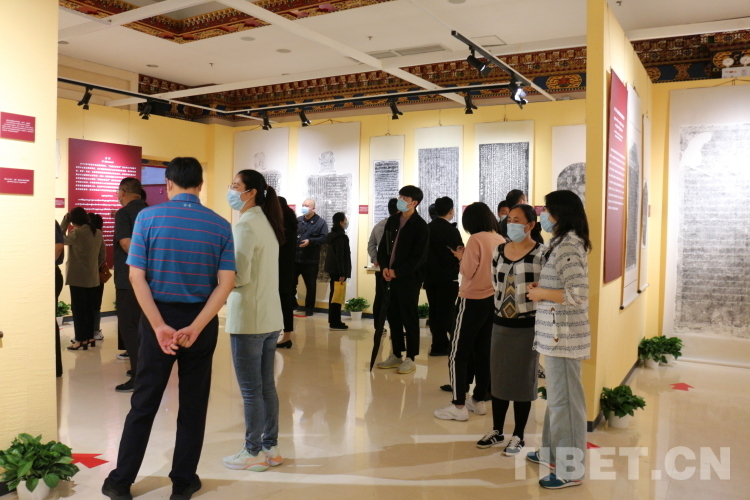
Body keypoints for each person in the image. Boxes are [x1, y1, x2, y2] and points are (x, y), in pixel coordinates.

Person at [102, 157, 235, 500]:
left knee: (144, 401)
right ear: (200, 185)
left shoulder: (147, 218)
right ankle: (183, 481)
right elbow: (226, 283)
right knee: (193, 405)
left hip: (157, 317)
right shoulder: (221, 225)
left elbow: (136, 277)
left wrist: (159, 325)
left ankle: (120, 482)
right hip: (200, 322)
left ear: (169, 184)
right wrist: (196, 326)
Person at [525, 190, 591, 490]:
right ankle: (551, 452)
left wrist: (542, 293)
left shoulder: (569, 246)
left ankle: (571, 470)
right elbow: (562, 284)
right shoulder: (562, 243)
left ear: (560, 214)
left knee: (566, 403)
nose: (543, 216)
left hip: (563, 337)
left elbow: (578, 295)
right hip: (555, 335)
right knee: (557, 397)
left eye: (546, 211)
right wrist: (545, 287)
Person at [222, 169, 285, 473]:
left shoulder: (246, 225)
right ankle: (271, 448)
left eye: (236, 186)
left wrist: (218, 275)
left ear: (251, 192)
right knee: (266, 387)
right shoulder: (266, 222)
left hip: (249, 318)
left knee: (251, 391)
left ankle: (252, 452)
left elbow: (240, 275)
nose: (231, 191)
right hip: (270, 317)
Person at [476, 204, 546, 456]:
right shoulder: (499, 250)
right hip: (501, 324)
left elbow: (546, 290)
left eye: (517, 220)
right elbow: (495, 282)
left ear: (530, 225)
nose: (511, 223)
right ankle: (497, 430)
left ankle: (519, 435)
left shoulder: (542, 254)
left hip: (528, 326)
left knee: (523, 382)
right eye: (509, 219)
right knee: (499, 379)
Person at [434, 202, 504, 421]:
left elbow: (468, 271)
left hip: (471, 300)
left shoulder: (476, 239)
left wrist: (461, 257)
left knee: (458, 353)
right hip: (492, 300)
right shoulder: (500, 239)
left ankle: (458, 405)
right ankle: (478, 400)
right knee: (483, 352)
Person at [376, 186, 429, 375]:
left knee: (409, 317)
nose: (401, 199)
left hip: (408, 279)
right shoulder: (392, 221)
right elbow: (383, 248)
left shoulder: (420, 226)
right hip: (389, 276)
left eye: (405, 198)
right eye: (400, 196)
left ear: (414, 203)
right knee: (393, 316)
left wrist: (397, 272)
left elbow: (419, 257)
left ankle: (411, 357)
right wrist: (384, 267)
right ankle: (396, 353)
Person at [113, 177, 148, 392]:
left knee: (130, 328)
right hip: (151, 280)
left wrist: (140, 265)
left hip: (129, 280)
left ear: (123, 192)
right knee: (145, 327)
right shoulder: (151, 212)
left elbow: (126, 244)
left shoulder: (123, 213)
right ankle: (144, 370)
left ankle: (138, 375)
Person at [61, 207, 105, 351]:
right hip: (92, 278)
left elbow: (60, 239)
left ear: (73, 220)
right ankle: (90, 337)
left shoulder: (76, 233)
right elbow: (102, 256)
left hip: (77, 278)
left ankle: (80, 340)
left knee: (78, 310)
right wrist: (93, 268)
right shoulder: (97, 233)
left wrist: (64, 222)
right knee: (89, 309)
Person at [424, 197, 463, 356]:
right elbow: (459, 252)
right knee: (445, 312)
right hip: (447, 277)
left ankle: (440, 342)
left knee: (434, 311)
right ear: (451, 211)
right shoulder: (451, 230)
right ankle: (439, 346)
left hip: (430, 277)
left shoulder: (427, 229)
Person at [295, 198, 329, 316]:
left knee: (311, 286)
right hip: (296, 259)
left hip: (310, 260)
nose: (304, 207)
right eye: (303, 205)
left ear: (313, 208)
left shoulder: (321, 222)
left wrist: (311, 241)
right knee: (290, 284)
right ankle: (292, 305)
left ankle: (309, 308)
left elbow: (324, 238)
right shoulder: (298, 220)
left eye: (307, 205)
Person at [367, 198, 398, 327]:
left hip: (381, 268)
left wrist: (376, 259)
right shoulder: (399, 225)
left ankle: (378, 326)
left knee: (380, 297)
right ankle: (395, 328)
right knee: (394, 299)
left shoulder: (379, 225)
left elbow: (371, 245)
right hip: (395, 269)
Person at [277, 197, 298, 348]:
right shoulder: (291, 223)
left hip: (280, 269)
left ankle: (285, 337)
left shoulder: (281, 225)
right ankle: (286, 336)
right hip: (288, 269)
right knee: (286, 303)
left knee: (283, 304)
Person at [325, 212, 352, 331]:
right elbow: (340, 256)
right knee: (337, 296)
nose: (346, 222)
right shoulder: (341, 237)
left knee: (334, 295)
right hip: (338, 271)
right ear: (341, 222)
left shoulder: (332, 235)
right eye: (345, 220)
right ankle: (335, 322)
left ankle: (333, 320)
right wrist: (342, 273)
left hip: (333, 269)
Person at [89, 213, 106, 342]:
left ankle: (90, 331)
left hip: (90, 274)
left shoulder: (91, 236)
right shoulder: (99, 236)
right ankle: (95, 330)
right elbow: (102, 256)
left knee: (89, 304)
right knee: (96, 304)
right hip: (97, 273)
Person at [55, 221, 65, 377]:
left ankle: (55, 367)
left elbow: (59, 246)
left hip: (50, 274)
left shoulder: (48, 223)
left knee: (48, 321)